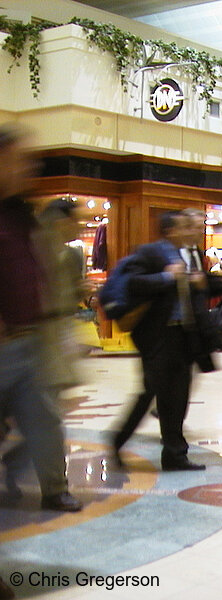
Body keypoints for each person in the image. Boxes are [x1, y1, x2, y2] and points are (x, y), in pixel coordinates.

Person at [0, 124, 82, 511]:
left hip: (30, 341)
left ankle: (55, 488)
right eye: (20, 160)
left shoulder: (23, 214)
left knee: (46, 420)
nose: (27, 168)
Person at [111, 212, 222, 471]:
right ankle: (117, 442)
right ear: (171, 230)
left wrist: (201, 282)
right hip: (158, 337)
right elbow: (133, 284)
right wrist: (166, 277)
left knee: (177, 396)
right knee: (152, 394)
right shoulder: (151, 253)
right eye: (185, 226)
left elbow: (204, 287)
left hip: (183, 336)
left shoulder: (188, 254)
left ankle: (175, 455)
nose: (191, 230)